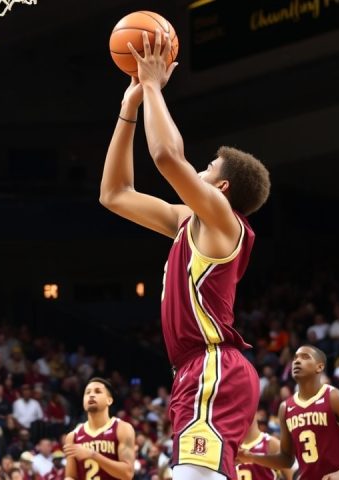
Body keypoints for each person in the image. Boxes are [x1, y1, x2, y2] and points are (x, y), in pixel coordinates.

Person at [100, 29, 271, 480]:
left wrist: (153, 86)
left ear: (222, 187)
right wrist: (129, 107)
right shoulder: (186, 220)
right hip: (196, 370)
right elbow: (114, 194)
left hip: (212, 365)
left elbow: (166, 156)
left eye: (208, 167)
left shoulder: (223, 219)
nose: (199, 167)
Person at [238, 346, 339, 480]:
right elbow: (286, 459)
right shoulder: (285, 408)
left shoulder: (334, 398)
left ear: (319, 367)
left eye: (305, 357)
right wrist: (252, 457)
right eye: (295, 358)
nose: (297, 361)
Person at [63, 378, 135, 480]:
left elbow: (127, 474)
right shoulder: (73, 436)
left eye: (97, 391)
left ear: (109, 400)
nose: (91, 395)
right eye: (87, 393)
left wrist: (93, 455)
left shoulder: (122, 428)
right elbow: (70, 476)